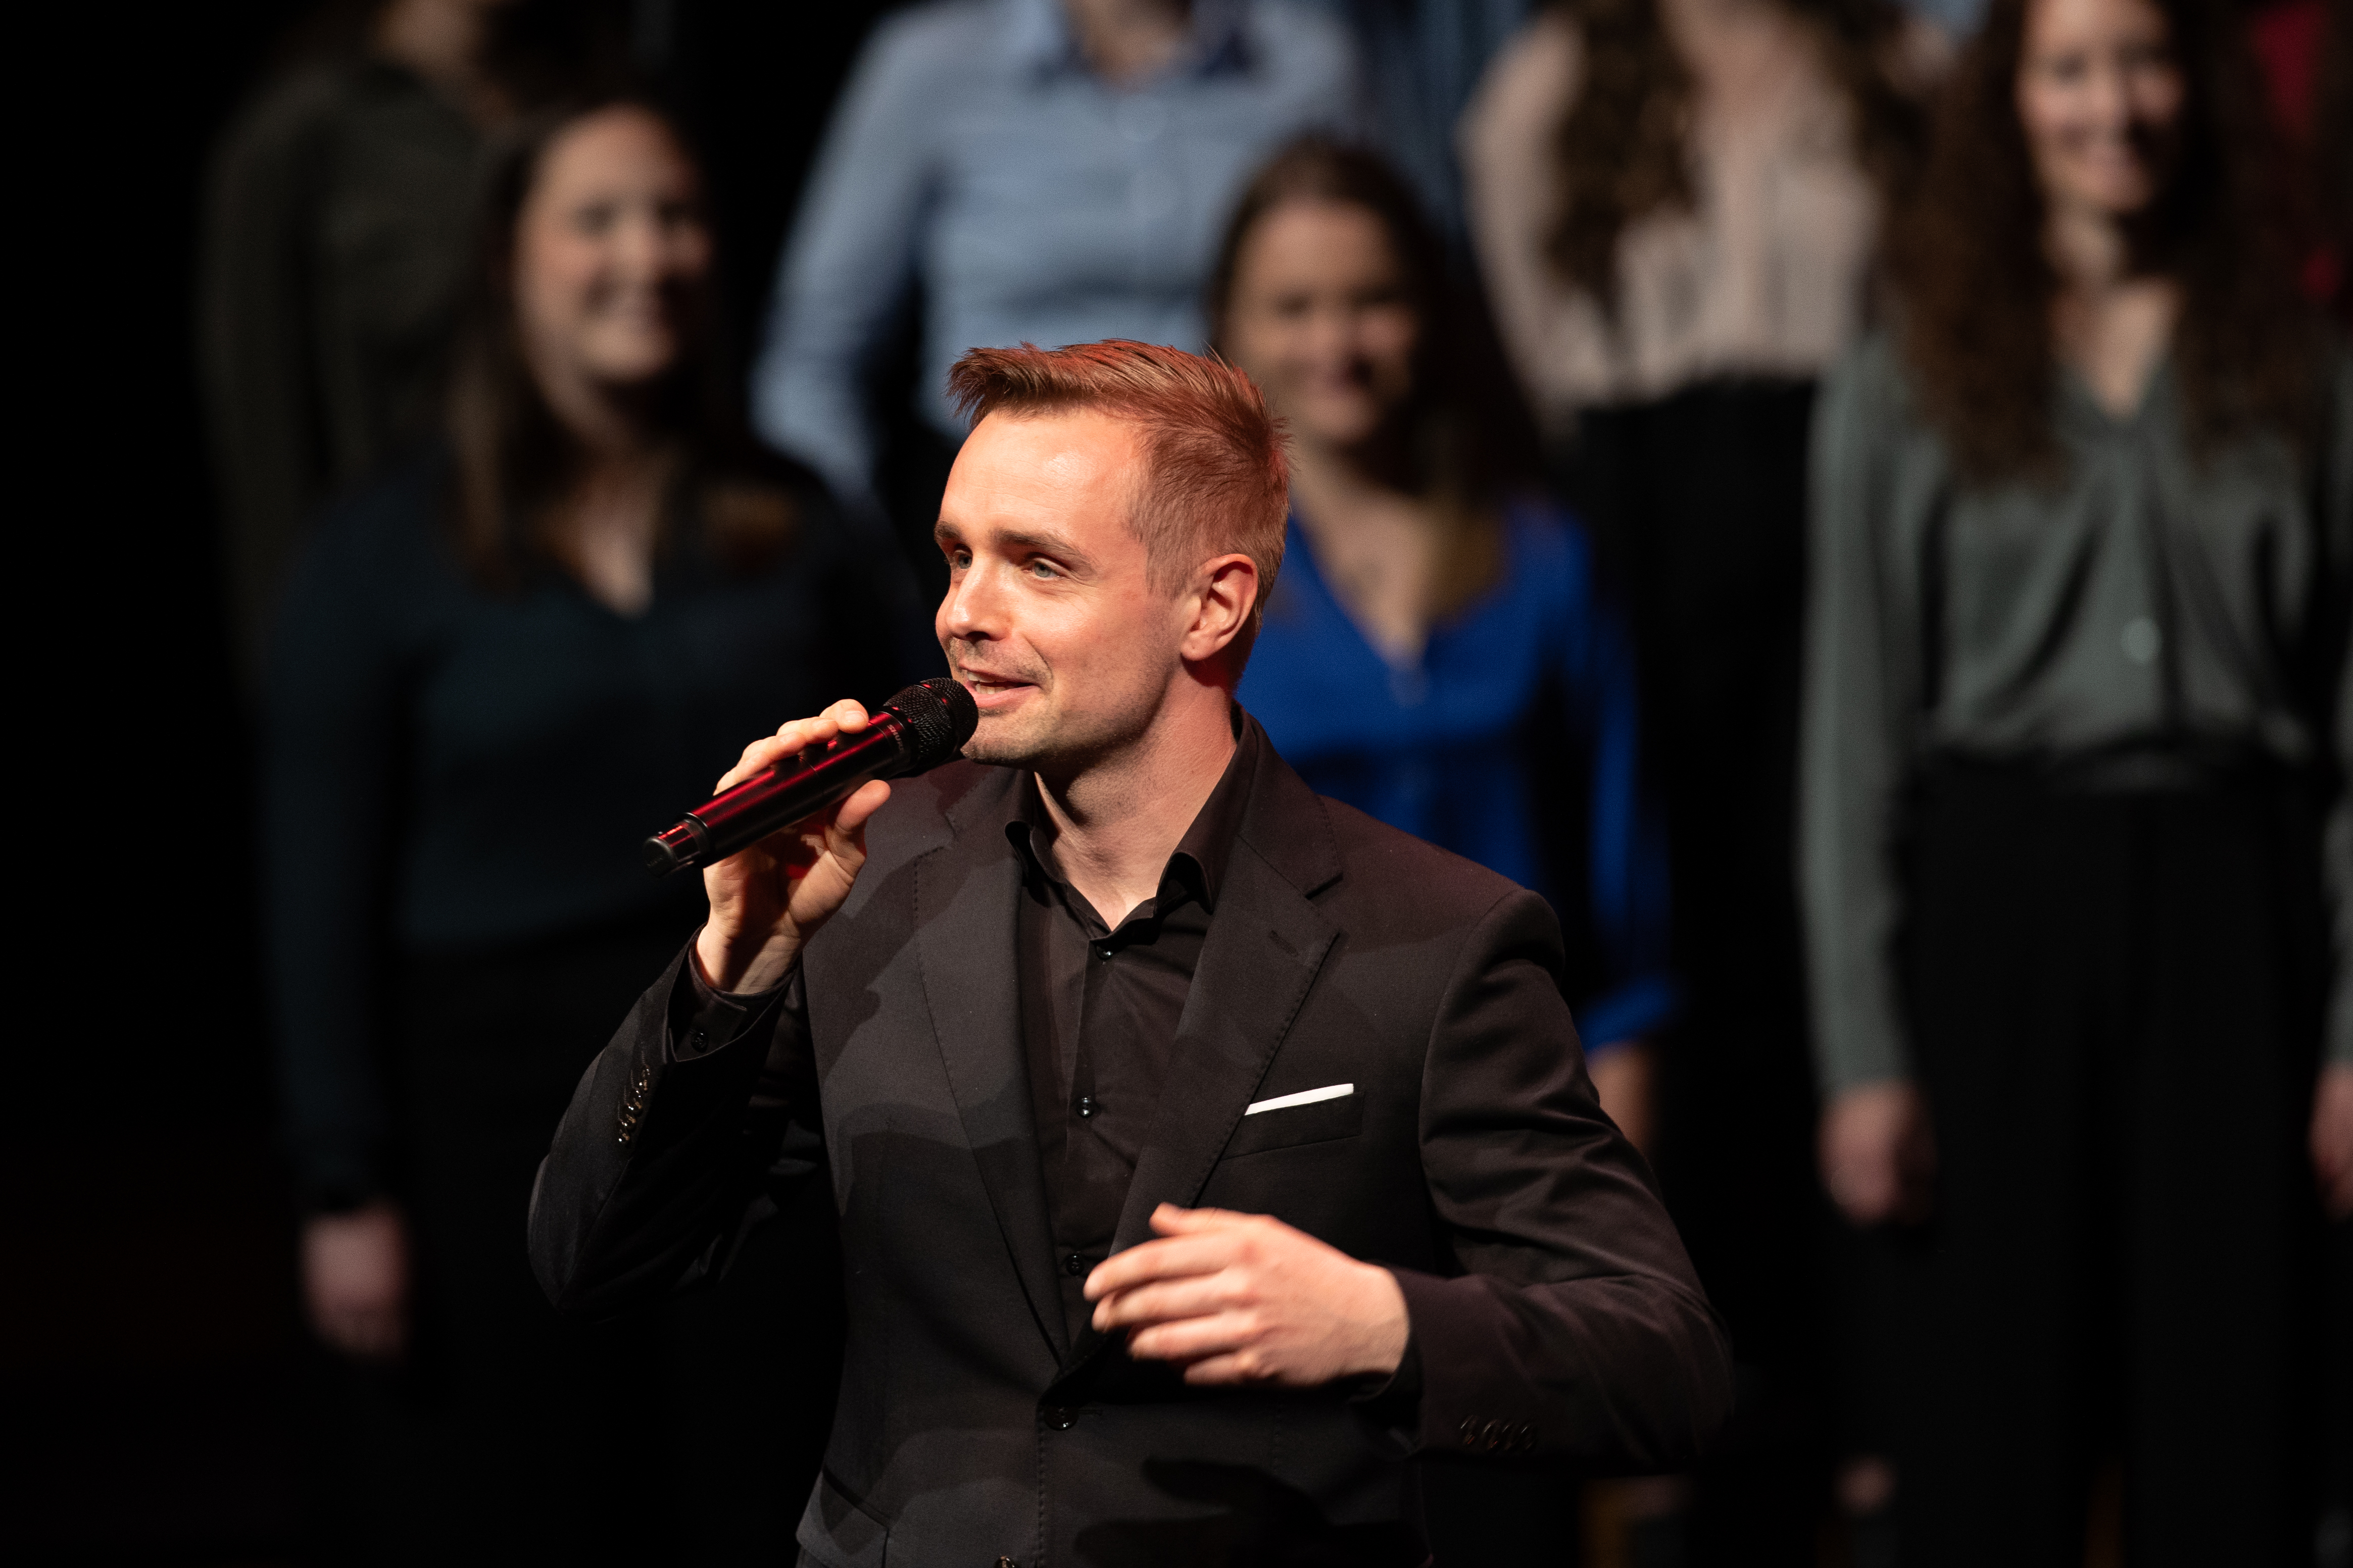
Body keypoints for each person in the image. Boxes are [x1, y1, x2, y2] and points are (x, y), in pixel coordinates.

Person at [530, 338, 1733, 1565]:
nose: (962, 614)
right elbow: (593, 1253)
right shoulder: (866, 889)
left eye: (1037, 565)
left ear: (1210, 605)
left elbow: (1662, 1363)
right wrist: (734, 964)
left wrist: (1381, 1324)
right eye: (956, 555)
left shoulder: (1429, 940)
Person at [265, 95, 906, 1561]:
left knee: (755, 1497)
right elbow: (316, 889)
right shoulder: (382, 552)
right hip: (488, 1113)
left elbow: (912, 801)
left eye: (675, 214)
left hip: (752, 1087)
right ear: (508, 260)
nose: (650, 253)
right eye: (598, 218)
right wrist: (341, 1182)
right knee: (526, 1507)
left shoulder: (791, 517)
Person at [1800, 0, 2353, 1555]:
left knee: (2232, 1428)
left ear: (2200, 89)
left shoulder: (2304, 373)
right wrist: (1862, 1056)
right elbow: (1850, 744)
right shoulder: (1902, 382)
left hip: (2238, 909)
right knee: (1989, 1436)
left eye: (2146, 59)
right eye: (2069, 66)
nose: (2113, 103)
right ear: (2010, 102)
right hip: (1997, 908)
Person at [1458, 0, 1933, 1552]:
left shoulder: (1894, 69)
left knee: (1842, 955)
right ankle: (1680, 1428)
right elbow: (1532, 367)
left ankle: (1865, 1415)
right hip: (1639, 539)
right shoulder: (1546, 91)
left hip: (1836, 527)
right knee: (1664, 968)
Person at [1216, 139, 1673, 1149]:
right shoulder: (1196, 587)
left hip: (1517, 1100)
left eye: (1371, 298)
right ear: (1231, 331)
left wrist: (1621, 1182)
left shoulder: (1544, 558)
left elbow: (1618, 901)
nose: (1336, 340)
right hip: (1282, 1124)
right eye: (1293, 306)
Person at [750, 0, 1358, 593]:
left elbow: (1372, 278)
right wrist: (864, 560)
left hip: (1229, 517)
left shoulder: (1300, 59)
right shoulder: (937, 63)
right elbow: (817, 350)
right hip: (993, 517)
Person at [201, 0, 624, 670]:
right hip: (420, 598)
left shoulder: (575, 98)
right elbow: (264, 426)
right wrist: (303, 665)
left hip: (598, 573)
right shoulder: (308, 131)